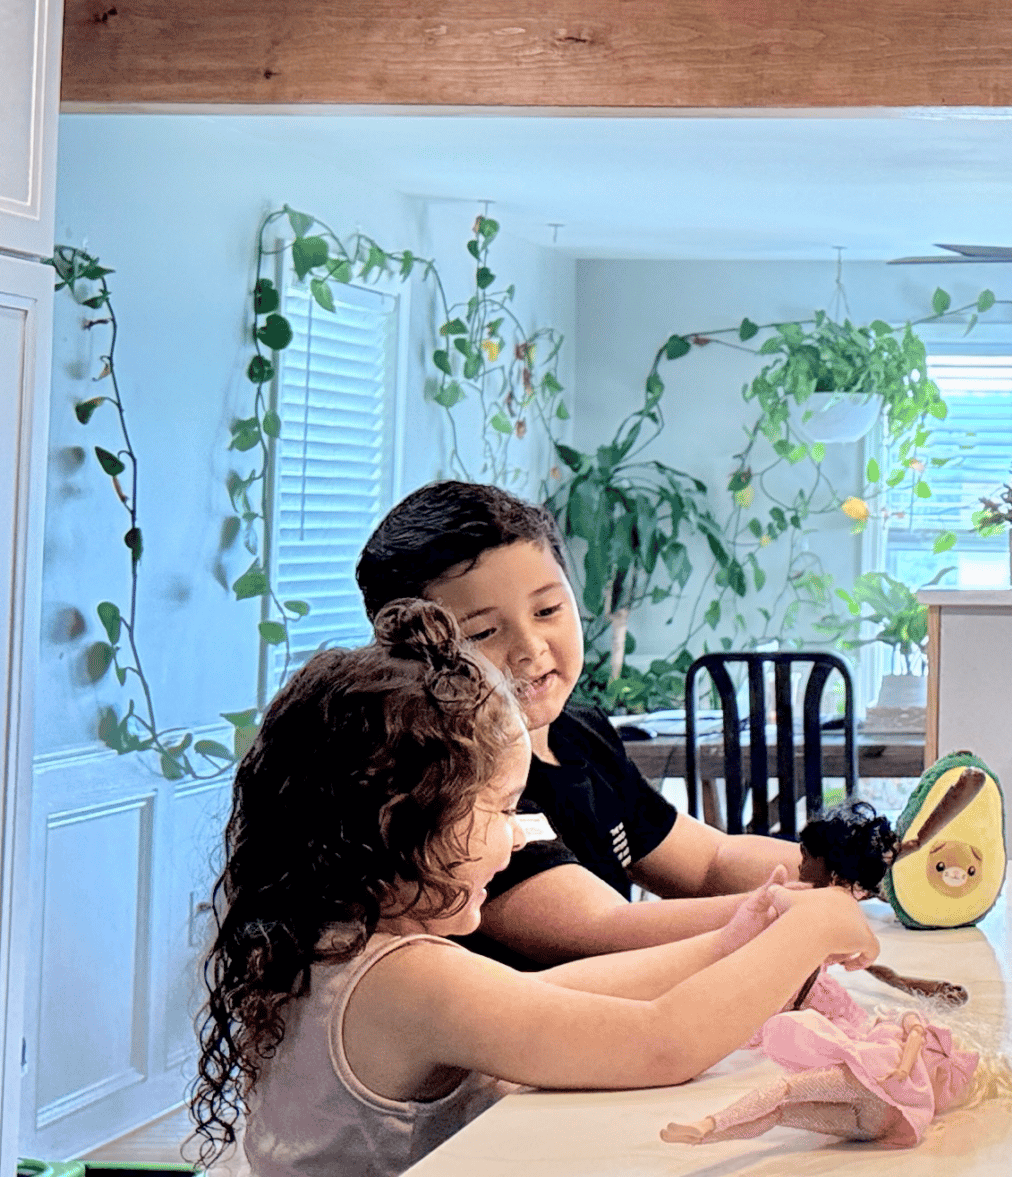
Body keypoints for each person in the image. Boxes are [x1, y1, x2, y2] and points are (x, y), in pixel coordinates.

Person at [191, 599, 879, 1177]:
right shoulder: (405, 980)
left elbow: (554, 994)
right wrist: (810, 929)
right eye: (500, 809)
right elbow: (661, 1043)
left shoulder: (337, 943)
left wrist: (732, 941)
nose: (518, 837)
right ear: (401, 822)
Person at [355, 482, 805, 965]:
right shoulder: (447, 779)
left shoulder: (581, 734)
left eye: (547, 610)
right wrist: (798, 912)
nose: (530, 648)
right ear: (410, 652)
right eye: (482, 632)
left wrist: (843, 868)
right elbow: (601, 928)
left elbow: (709, 864)